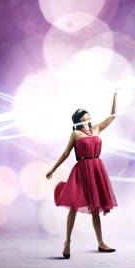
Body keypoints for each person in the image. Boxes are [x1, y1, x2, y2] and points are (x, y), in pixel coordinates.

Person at [45, 91, 118, 259]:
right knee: (73, 206)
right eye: (85, 118)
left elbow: (113, 116)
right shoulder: (75, 134)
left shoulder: (97, 128)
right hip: (82, 170)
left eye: (89, 117)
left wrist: (114, 96)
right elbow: (65, 154)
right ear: (79, 120)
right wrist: (53, 169)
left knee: (95, 209)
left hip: (96, 168)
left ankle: (101, 243)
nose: (88, 120)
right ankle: (67, 242)